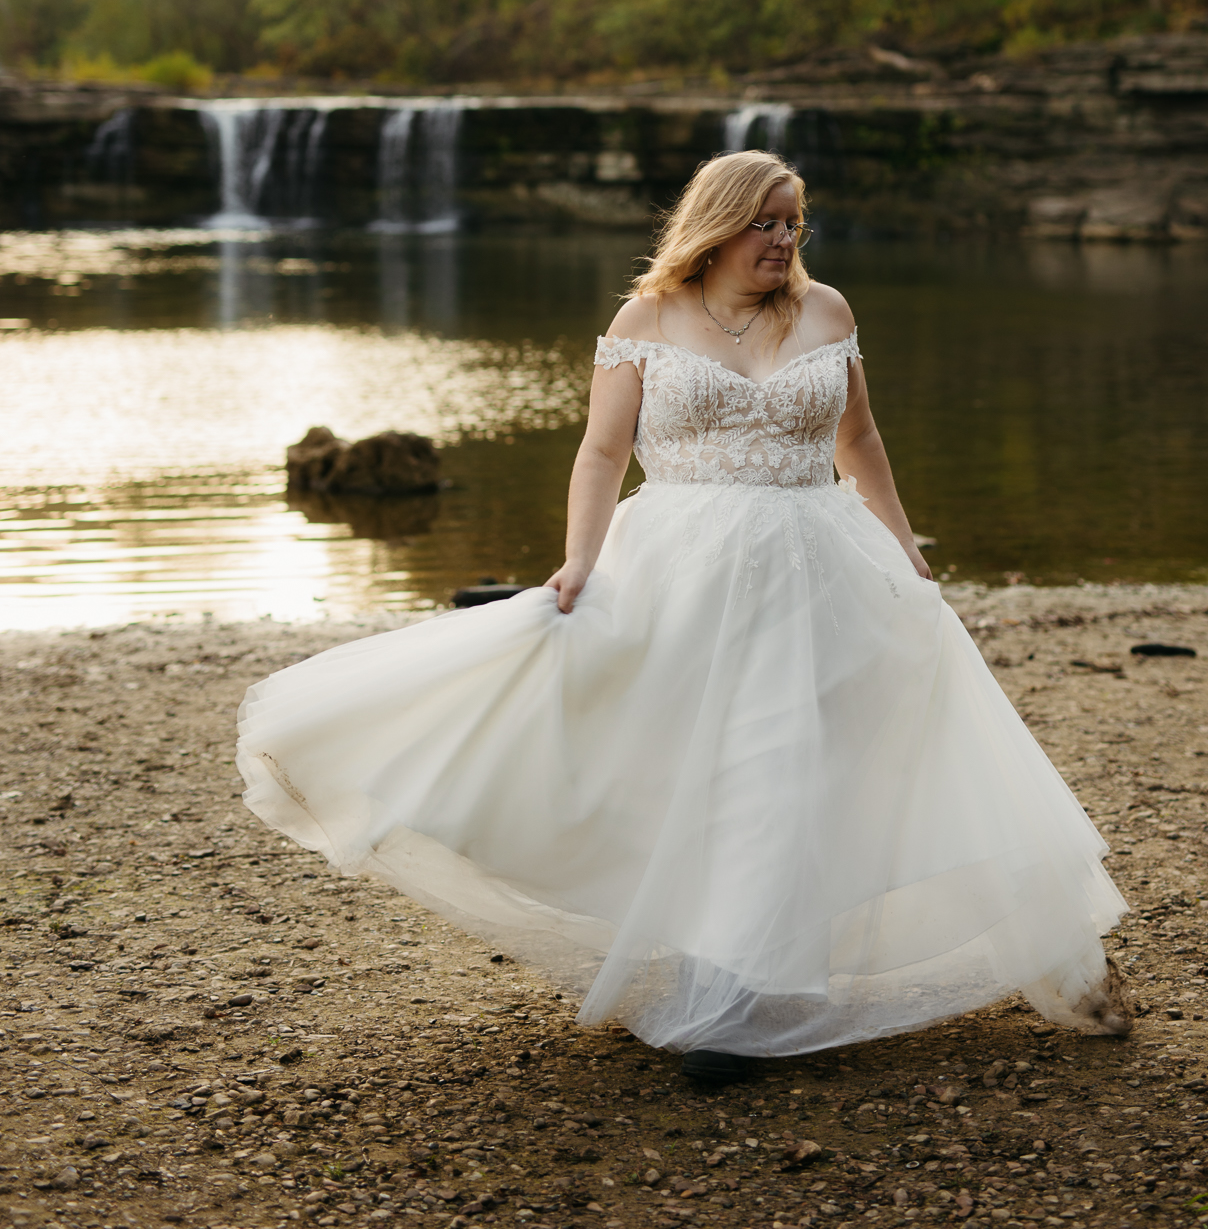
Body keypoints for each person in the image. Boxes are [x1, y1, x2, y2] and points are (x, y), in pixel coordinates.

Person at [238, 150, 1130, 1083]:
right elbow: (599, 452)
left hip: (818, 564)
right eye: (765, 223)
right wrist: (580, 560)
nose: (784, 239)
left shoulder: (827, 313)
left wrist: (902, 544)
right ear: (717, 225)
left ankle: (739, 999)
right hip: (682, 566)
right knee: (702, 767)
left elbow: (857, 439)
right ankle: (722, 983)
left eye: (793, 222)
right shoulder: (645, 320)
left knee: (787, 765)